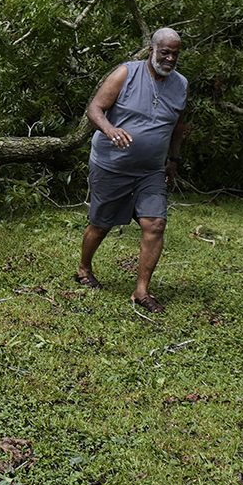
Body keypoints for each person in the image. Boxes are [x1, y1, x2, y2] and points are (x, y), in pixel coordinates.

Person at [75, 28, 188, 313]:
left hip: (151, 170)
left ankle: (141, 291)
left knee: (155, 225)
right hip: (112, 165)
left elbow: (177, 125)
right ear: (152, 50)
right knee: (102, 224)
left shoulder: (181, 84)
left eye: (175, 53)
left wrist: (174, 160)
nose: (170, 58)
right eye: (165, 52)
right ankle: (84, 268)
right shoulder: (126, 73)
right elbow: (95, 109)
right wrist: (110, 129)